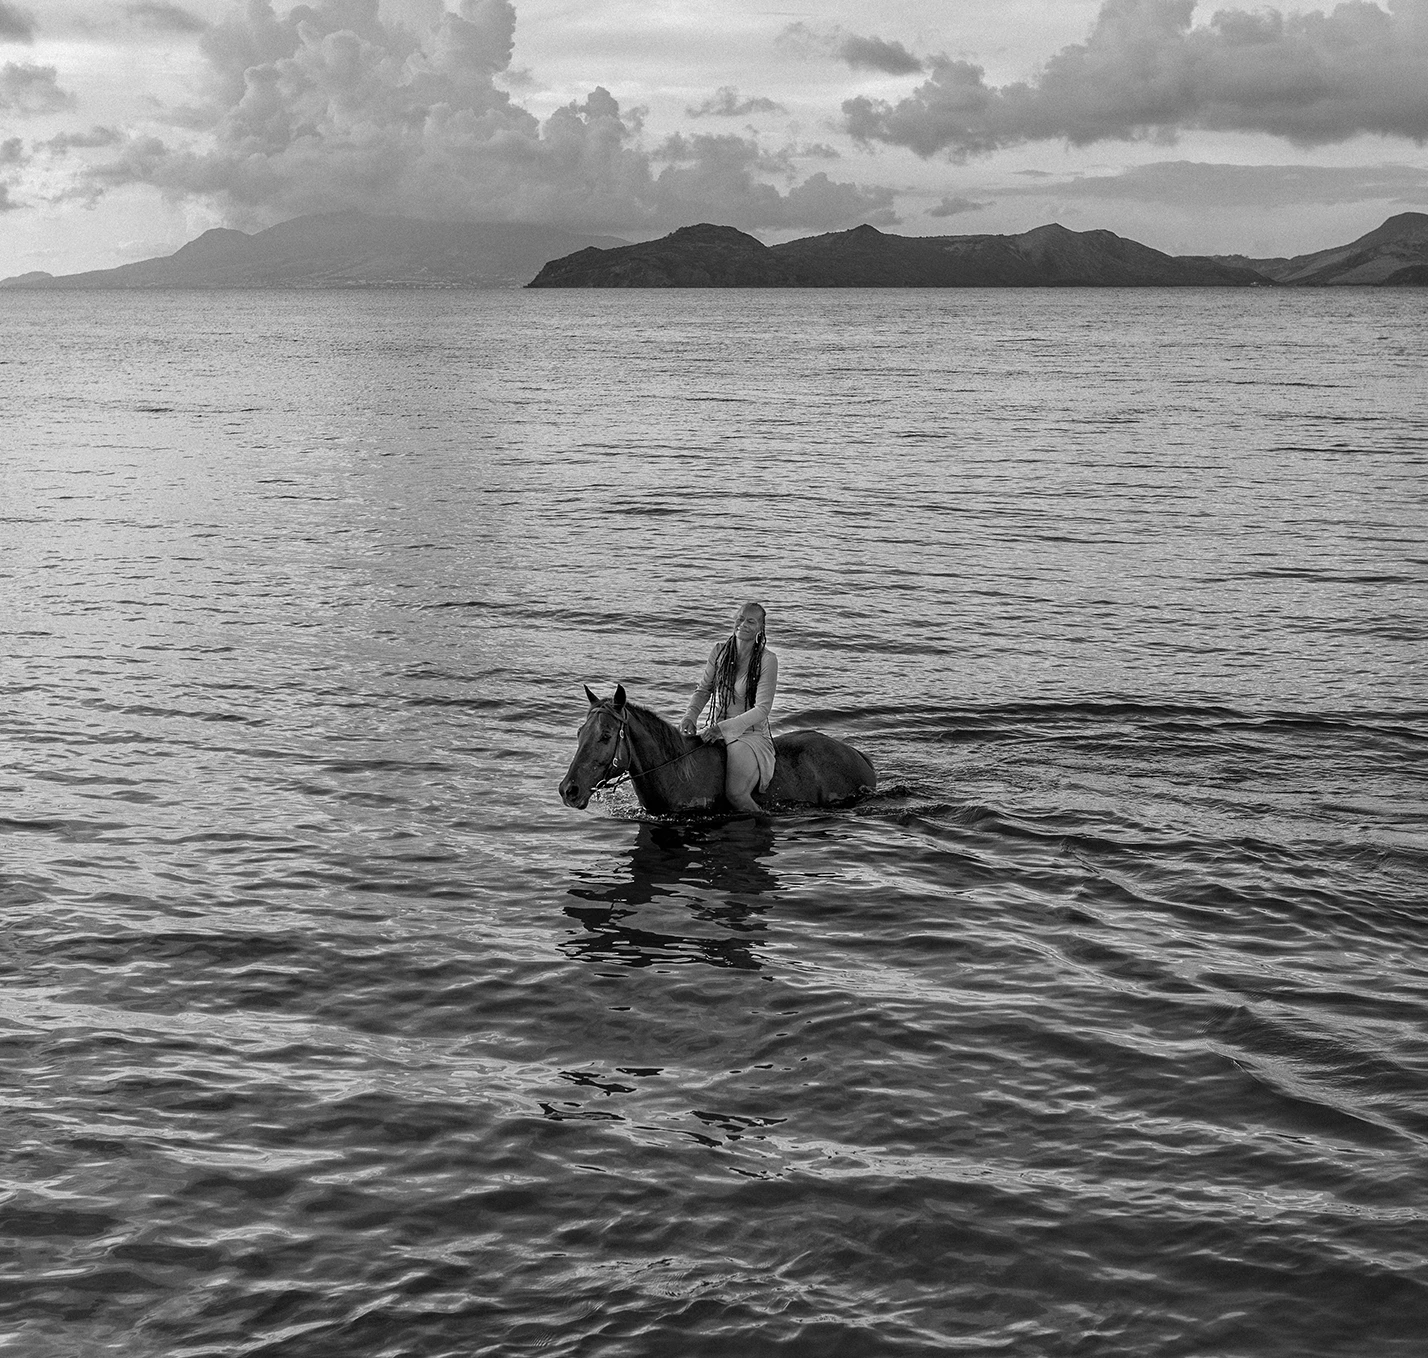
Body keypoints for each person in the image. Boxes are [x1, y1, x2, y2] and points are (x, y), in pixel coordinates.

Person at [679, 601, 778, 813]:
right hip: (716, 730)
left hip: (749, 735)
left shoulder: (767, 660)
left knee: (735, 794)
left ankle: (764, 829)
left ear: (760, 628)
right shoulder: (719, 651)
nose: (743, 624)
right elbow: (704, 689)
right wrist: (690, 716)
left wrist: (722, 729)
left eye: (750, 621)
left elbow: (762, 709)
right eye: (740, 619)